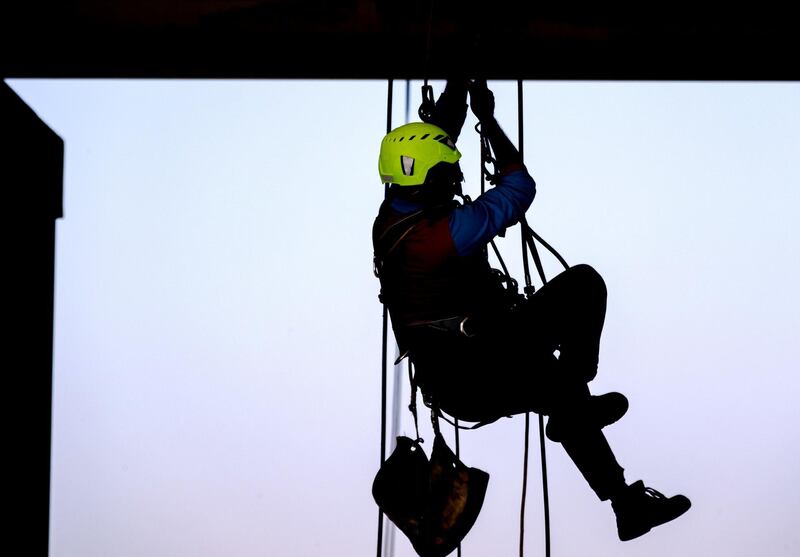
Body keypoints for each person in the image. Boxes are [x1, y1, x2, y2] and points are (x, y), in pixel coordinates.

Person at [372, 79, 691, 542]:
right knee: (584, 286)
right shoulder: (445, 234)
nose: (455, 179)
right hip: (481, 364)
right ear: (431, 179)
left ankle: (625, 502)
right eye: (447, 173)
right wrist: (489, 120)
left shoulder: (391, 217)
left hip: (459, 371)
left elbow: (437, 133)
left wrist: (458, 86)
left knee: (559, 390)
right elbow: (519, 188)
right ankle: (577, 391)